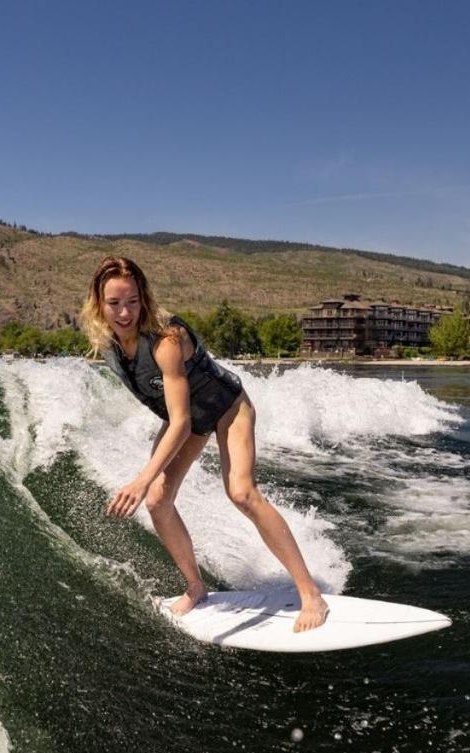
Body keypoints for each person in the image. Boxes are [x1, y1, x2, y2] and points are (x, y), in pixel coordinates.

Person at [80, 256, 328, 632]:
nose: (125, 312)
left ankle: (311, 594)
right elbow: (176, 416)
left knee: (242, 493)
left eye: (132, 301)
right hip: (190, 419)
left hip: (228, 407)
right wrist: (150, 482)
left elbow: (179, 423)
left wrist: (141, 477)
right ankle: (196, 587)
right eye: (114, 303)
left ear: (143, 298)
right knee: (158, 501)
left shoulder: (165, 340)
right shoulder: (110, 345)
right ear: (99, 304)